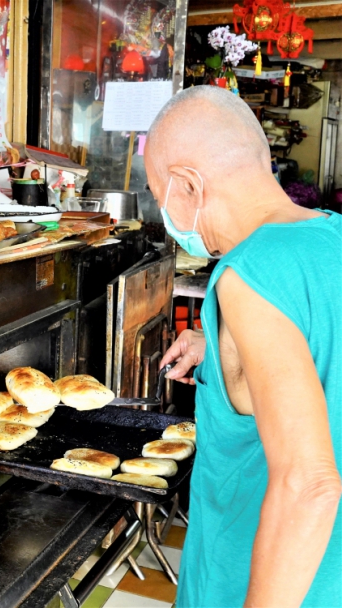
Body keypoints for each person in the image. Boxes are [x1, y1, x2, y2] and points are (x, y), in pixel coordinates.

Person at [146, 85, 341, 607]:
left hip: (261, 582)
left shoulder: (246, 277)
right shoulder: (332, 238)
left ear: (186, 185)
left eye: (157, 192)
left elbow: (309, 484)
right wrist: (220, 346)